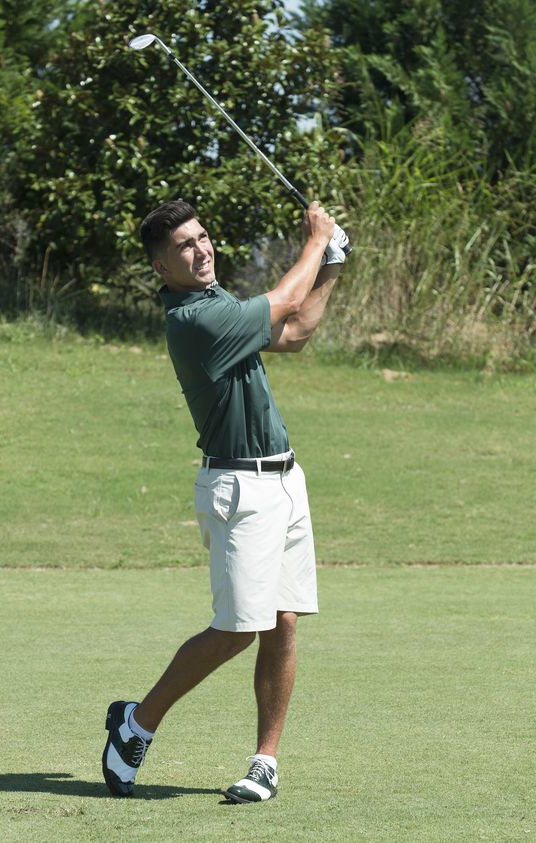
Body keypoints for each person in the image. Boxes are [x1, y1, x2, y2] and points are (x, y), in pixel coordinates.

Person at [102, 198, 349, 803]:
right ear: (162, 268)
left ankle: (264, 760)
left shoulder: (217, 302)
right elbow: (286, 301)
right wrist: (316, 241)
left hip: (286, 479)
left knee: (284, 620)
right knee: (239, 629)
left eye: (203, 236)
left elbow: (293, 334)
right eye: (184, 246)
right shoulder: (192, 320)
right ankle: (135, 725)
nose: (201, 249)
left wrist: (334, 263)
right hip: (239, 490)